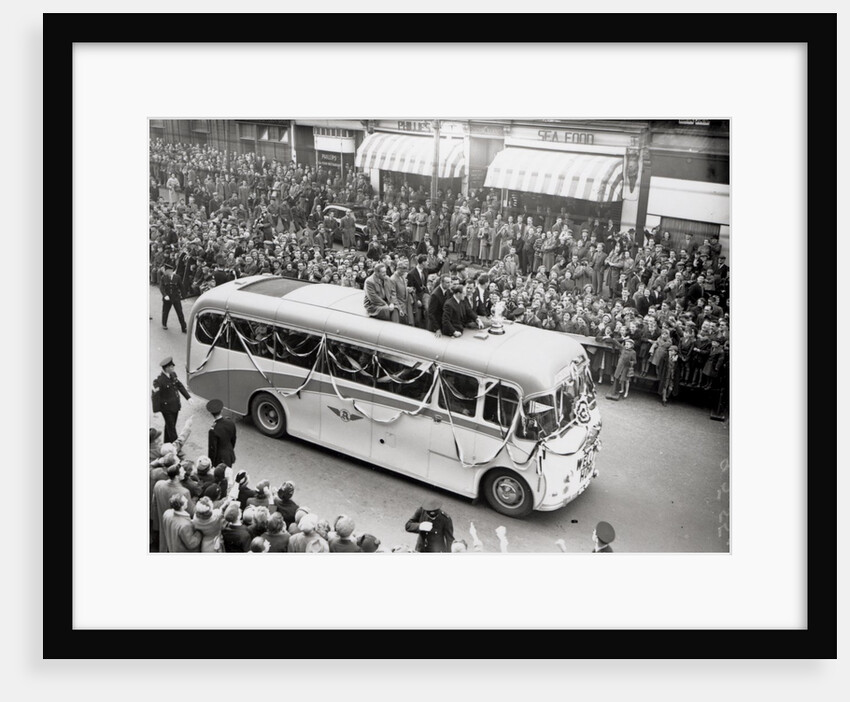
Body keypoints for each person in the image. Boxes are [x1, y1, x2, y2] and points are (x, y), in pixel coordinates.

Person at [151, 357, 191, 444]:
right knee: (171, 428)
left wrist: (188, 397)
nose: (173, 368)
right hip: (166, 408)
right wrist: (155, 411)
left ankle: (167, 443)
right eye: (171, 367)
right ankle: (176, 448)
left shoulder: (173, 374)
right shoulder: (159, 381)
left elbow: (179, 385)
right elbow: (155, 396)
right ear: (167, 368)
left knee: (169, 426)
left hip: (175, 406)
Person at [207, 398, 237, 467]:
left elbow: (212, 450)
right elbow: (233, 439)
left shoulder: (213, 431)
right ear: (222, 410)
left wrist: (211, 464)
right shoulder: (230, 422)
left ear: (211, 413)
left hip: (219, 460)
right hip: (229, 454)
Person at [159, 261, 187, 332]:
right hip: (167, 298)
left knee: (180, 312)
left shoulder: (177, 277)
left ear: (170, 271)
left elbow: (181, 287)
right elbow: (161, 287)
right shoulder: (163, 277)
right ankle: (164, 324)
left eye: (166, 270)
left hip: (176, 297)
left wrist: (184, 297)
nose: (165, 272)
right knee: (165, 312)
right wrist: (165, 295)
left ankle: (184, 327)